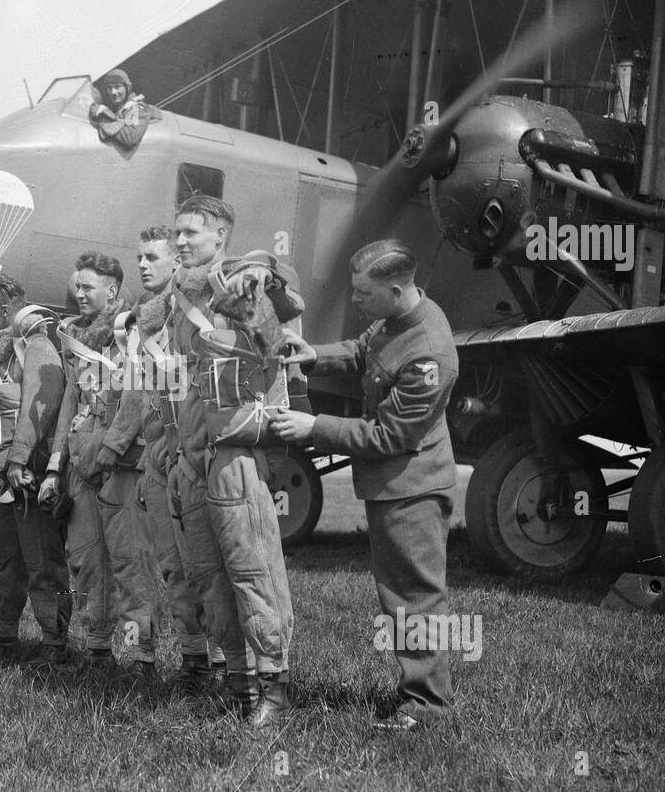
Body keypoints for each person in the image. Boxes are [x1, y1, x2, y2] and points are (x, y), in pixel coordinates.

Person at [270, 238, 459, 732]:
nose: (354, 301)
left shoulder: (429, 354)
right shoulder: (396, 319)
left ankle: (427, 705)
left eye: (363, 294)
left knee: (414, 596)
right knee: (399, 595)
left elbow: (391, 435)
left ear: (396, 290)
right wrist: (315, 355)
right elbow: (362, 351)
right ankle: (418, 693)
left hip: (411, 488)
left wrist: (316, 428)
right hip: (395, 485)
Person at [168, 195, 302, 726]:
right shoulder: (180, 296)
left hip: (235, 459)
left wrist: (258, 273)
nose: (180, 242)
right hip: (191, 457)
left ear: (220, 236)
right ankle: (239, 683)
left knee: (253, 572)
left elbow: (285, 295)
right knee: (209, 578)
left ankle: (274, 687)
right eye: (177, 233)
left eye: (192, 233)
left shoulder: (241, 281)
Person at [39, 252, 151, 680]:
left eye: (88, 287)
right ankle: (98, 649)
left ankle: (141, 658)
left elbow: (137, 397)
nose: (79, 293)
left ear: (113, 290)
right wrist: (54, 466)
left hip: (119, 465)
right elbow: (71, 400)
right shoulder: (73, 336)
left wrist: (111, 449)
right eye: (77, 286)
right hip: (78, 466)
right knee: (84, 561)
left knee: (129, 564)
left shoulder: (132, 333)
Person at [125, 226, 217, 690]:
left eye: (153, 258)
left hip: (193, 456)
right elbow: (144, 399)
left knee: (204, 566)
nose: (143, 266)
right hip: (158, 459)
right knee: (170, 566)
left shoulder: (194, 317)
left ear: (176, 265)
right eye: (139, 257)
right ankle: (193, 659)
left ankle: (224, 662)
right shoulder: (142, 323)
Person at [0, 275, 71, 668]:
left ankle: (55, 648)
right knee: (5, 565)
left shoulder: (40, 345)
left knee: (44, 565)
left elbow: (42, 404)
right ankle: (2, 642)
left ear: (7, 305)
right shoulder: (5, 355)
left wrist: (18, 459)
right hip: (4, 481)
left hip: (27, 476)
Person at [88, 68, 160, 149]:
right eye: (109, 88)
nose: (113, 92)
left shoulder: (137, 107)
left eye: (117, 87)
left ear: (127, 87)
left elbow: (132, 137)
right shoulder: (117, 107)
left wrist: (105, 118)